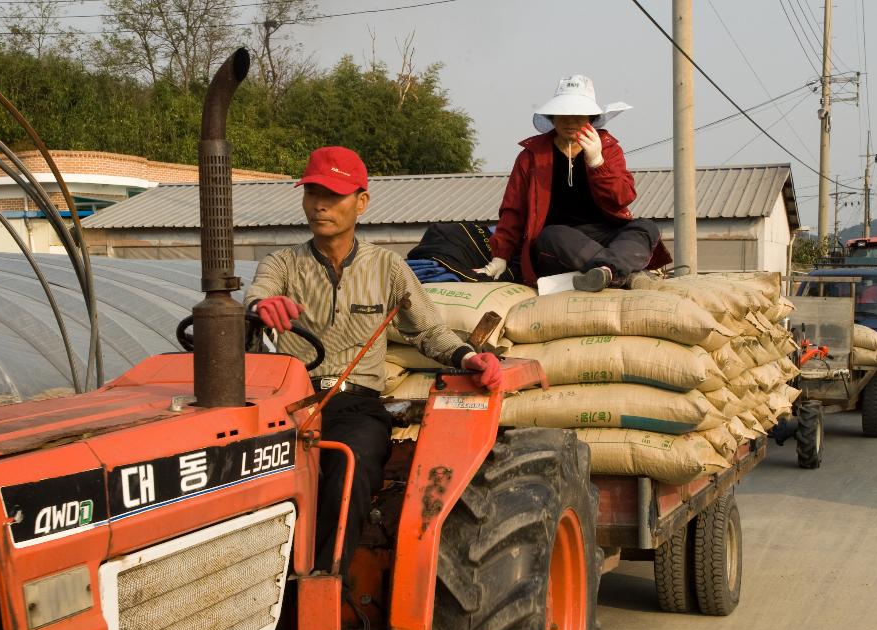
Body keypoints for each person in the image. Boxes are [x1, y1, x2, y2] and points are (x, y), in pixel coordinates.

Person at [245, 146, 503, 573]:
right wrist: (260, 306)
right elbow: (259, 292)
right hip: (289, 404)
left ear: (361, 202)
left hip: (356, 405)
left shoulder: (388, 268)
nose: (320, 205)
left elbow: (428, 331)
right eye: (312, 193)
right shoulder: (282, 263)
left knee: (352, 461)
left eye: (333, 194)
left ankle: (325, 588)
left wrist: (468, 356)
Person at [478, 74, 671, 291]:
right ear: (552, 118)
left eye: (578, 115)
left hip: (603, 236)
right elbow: (513, 210)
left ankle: (606, 272)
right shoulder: (530, 156)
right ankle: (622, 274)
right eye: (563, 115)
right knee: (551, 234)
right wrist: (500, 256)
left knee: (645, 227)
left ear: (590, 118)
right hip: (557, 245)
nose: (570, 122)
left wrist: (598, 162)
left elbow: (623, 197)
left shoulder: (608, 149)